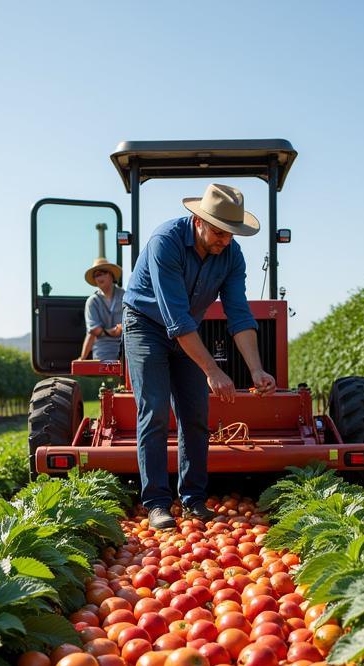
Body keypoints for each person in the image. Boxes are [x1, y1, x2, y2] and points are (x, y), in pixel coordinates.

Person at [122, 183, 277, 530]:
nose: (226, 241)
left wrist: (256, 369)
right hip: (145, 324)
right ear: (198, 221)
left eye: (232, 234)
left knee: (195, 414)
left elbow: (238, 313)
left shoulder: (232, 256)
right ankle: (157, 503)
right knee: (156, 410)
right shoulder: (167, 241)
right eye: (220, 232)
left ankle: (193, 499)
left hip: (187, 328)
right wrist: (212, 369)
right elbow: (174, 317)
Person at [79, 256, 124, 360]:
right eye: (96, 275)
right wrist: (82, 358)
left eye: (102, 273)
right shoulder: (92, 301)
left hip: (126, 348)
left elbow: (131, 324)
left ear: (112, 276)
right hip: (103, 352)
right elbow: (94, 331)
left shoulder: (125, 296)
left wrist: (121, 329)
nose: (99, 277)